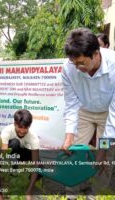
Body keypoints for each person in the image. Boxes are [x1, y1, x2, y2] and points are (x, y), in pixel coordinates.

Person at [61, 28, 115, 196]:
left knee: (104, 159)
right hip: (83, 111)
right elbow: (71, 104)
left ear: (96, 54)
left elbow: (114, 113)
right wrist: (69, 135)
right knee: (74, 154)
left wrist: (102, 149)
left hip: (108, 114)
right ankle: (72, 193)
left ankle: (95, 195)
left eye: (82, 63)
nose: (78, 68)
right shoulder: (68, 68)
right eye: (74, 63)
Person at [1, 109, 40, 199]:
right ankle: (12, 175)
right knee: (14, 143)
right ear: (15, 123)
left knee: (40, 167)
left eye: (25, 128)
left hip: (24, 152)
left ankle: (28, 185)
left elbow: (35, 164)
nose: (22, 131)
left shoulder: (33, 137)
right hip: (12, 153)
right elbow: (2, 156)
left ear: (29, 126)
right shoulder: (7, 131)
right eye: (20, 127)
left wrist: (29, 192)